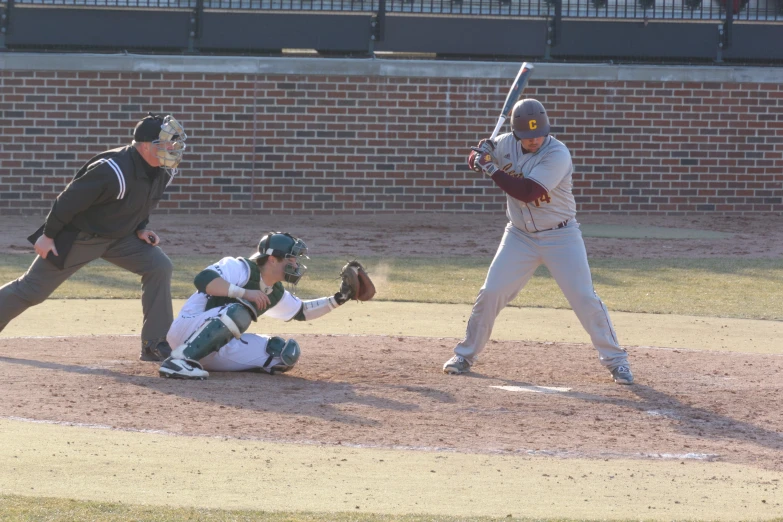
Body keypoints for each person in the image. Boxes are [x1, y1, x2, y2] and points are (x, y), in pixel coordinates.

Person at [442, 98, 634, 385]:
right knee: (491, 292)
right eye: (528, 136)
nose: (535, 140)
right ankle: (465, 355)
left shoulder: (557, 154)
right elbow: (475, 160)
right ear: (517, 133)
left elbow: (528, 191)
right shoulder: (504, 143)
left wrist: (491, 169)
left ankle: (617, 361)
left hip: (561, 236)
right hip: (519, 235)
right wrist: (478, 156)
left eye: (539, 134)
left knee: (584, 298)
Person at [0, 113, 187, 362]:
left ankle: (154, 343)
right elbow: (66, 201)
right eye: (164, 142)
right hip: (81, 237)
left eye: (172, 142)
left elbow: (142, 202)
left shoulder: (162, 169)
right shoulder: (112, 169)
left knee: (159, 266)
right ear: (144, 145)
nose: (171, 147)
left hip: (120, 238)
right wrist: (48, 235)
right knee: (32, 290)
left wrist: (141, 228)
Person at [159, 232, 361, 380]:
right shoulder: (240, 267)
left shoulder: (275, 291)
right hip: (186, 331)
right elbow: (203, 279)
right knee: (240, 311)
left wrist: (339, 298)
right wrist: (244, 293)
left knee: (282, 353)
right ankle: (178, 361)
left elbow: (302, 311)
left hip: (216, 348)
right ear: (273, 260)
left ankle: (197, 362)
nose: (296, 264)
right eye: (292, 258)